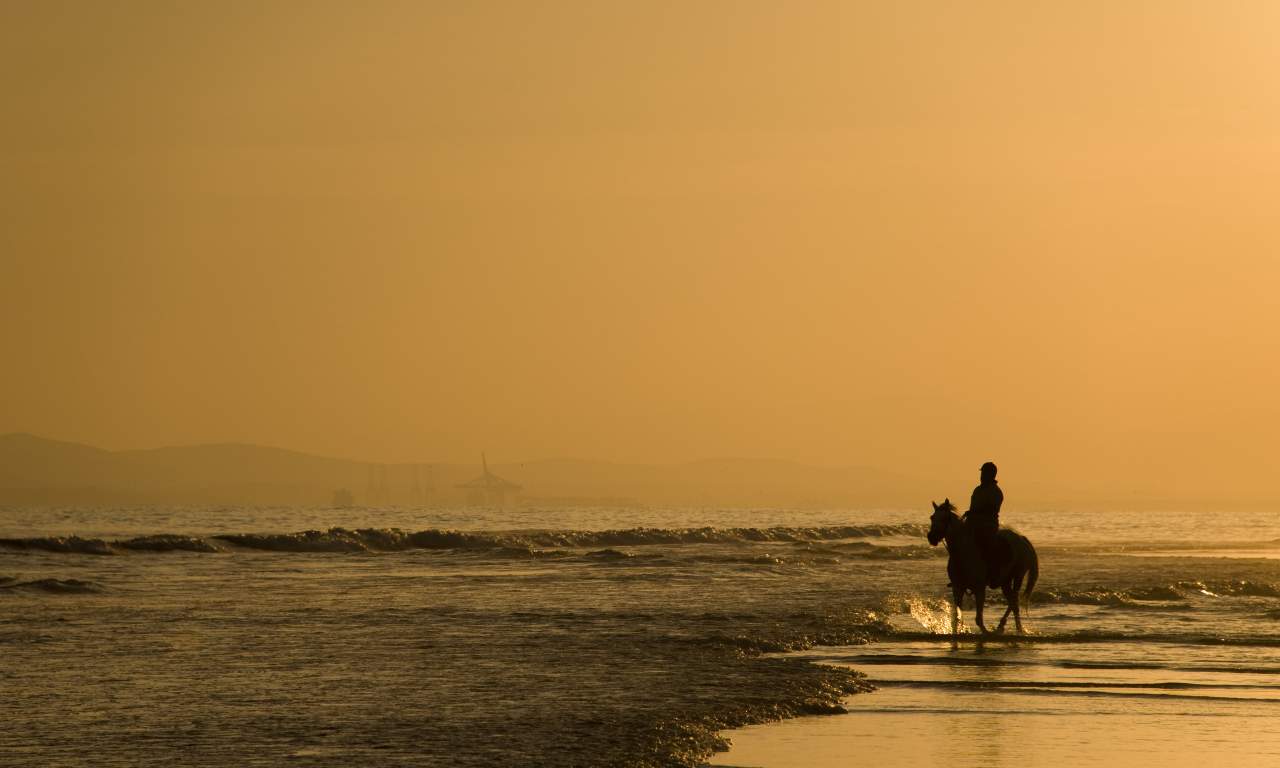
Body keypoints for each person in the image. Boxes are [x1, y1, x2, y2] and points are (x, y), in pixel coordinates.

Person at [964, 461, 1004, 588]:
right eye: (981, 473)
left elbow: (991, 509)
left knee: (991, 548)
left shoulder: (996, 492)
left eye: (984, 473)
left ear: (992, 475)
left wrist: (974, 512)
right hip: (973, 525)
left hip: (988, 526)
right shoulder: (977, 490)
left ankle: (994, 576)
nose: (981, 476)